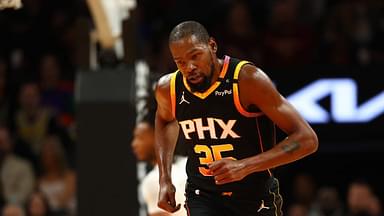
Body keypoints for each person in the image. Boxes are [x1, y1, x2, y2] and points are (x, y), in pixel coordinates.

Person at [154, 20, 318, 216]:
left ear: (212, 46)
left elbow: (307, 139)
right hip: (203, 196)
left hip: (254, 196)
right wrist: (164, 178)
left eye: (195, 56)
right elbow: (165, 120)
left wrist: (245, 166)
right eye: (180, 62)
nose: (189, 67)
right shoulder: (168, 88)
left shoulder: (247, 80)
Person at [131, 113, 188, 216]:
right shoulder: (189, 164)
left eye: (140, 137)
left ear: (158, 137)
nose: (134, 144)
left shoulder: (153, 180)